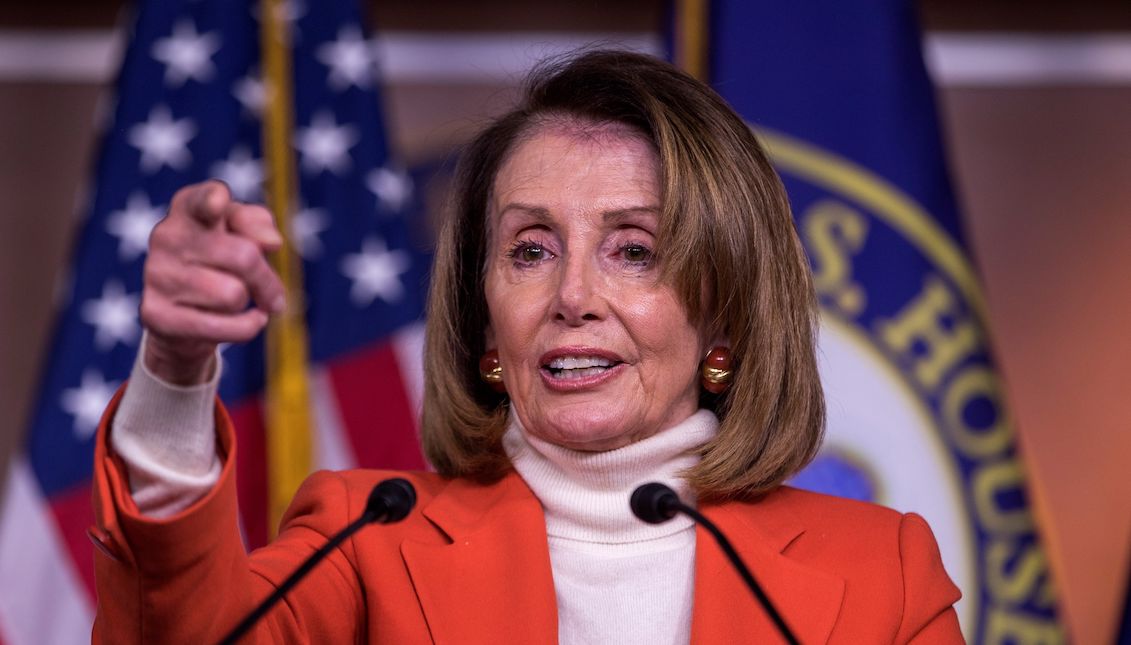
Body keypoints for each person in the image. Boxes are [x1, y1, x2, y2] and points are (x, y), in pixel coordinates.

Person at [91, 50, 963, 643]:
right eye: (530, 250)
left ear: (726, 316)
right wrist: (174, 369)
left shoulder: (878, 573)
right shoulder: (367, 545)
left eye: (634, 250)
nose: (572, 296)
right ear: (483, 325)